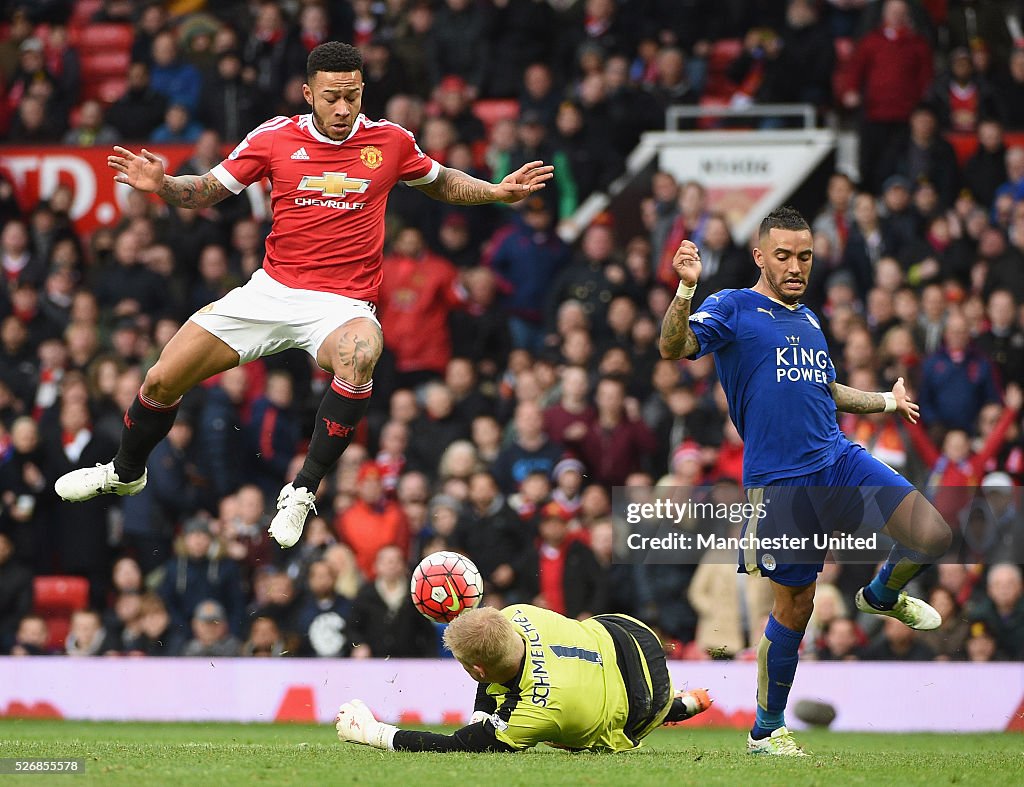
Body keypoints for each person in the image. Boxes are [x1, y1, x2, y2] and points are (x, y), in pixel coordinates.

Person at [54, 42, 552, 551]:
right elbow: (206, 190)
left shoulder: (391, 142)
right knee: (161, 378)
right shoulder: (274, 138)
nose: (343, 109)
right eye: (332, 97)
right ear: (308, 93)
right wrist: (163, 185)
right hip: (270, 292)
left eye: (353, 97)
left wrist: (494, 191)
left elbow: (441, 182)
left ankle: (302, 489)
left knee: (361, 355)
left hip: (341, 306)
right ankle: (124, 470)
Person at [657, 207, 952, 755]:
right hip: (781, 484)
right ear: (760, 256)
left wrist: (885, 401)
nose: (796, 266)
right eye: (785, 256)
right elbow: (673, 349)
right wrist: (685, 290)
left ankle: (881, 594)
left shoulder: (810, 319)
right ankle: (767, 729)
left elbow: (826, 387)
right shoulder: (732, 307)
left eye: (806, 256)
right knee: (795, 609)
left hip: (839, 459)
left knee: (932, 534)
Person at [334, 604, 712, 752]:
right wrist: (481, 717)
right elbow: (490, 654)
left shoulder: (535, 710)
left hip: (642, 703)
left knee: (578, 743)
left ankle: (673, 707)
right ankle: (683, 702)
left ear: (476, 671)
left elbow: (458, 747)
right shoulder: (514, 614)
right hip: (628, 632)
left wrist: (372, 732)